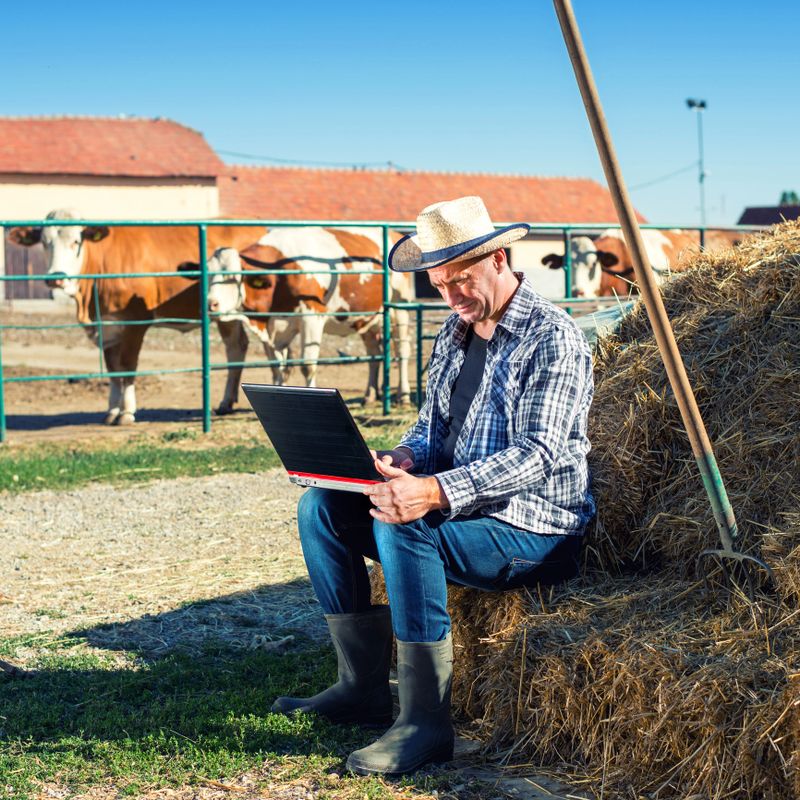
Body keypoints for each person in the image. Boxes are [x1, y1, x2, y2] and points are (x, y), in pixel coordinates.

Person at [271, 196, 595, 775]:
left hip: (534, 524)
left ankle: (426, 723)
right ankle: (361, 688)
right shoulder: (456, 330)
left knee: (404, 521)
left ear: (500, 258)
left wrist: (434, 492)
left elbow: (540, 454)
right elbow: (432, 428)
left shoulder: (553, 338)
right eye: (440, 284)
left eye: (462, 280)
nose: (452, 297)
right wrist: (400, 457)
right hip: (466, 509)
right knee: (321, 506)